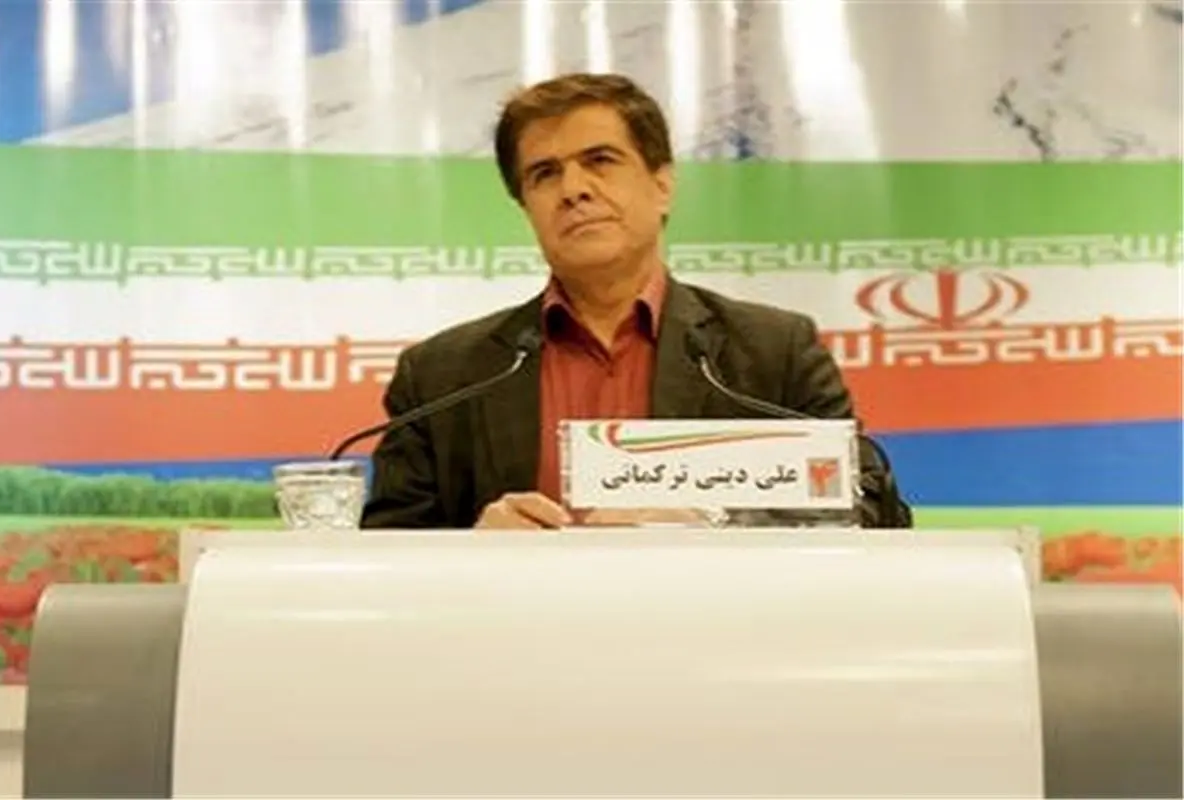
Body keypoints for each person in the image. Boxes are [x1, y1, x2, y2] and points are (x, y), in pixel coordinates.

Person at [360, 72, 912, 530]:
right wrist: (473, 548)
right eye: (545, 174)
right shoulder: (442, 377)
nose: (574, 189)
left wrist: (712, 520)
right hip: (517, 627)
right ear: (526, 206)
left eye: (600, 160)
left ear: (662, 186)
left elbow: (872, 510)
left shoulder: (773, 351)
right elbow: (387, 547)